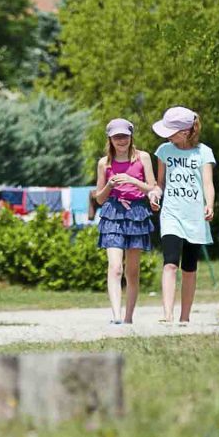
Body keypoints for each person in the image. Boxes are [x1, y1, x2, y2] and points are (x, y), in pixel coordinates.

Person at [148, 106, 215, 325]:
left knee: (189, 268)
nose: (166, 135)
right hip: (171, 214)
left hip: (194, 216)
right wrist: (155, 195)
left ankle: (185, 317)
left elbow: (207, 183)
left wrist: (210, 204)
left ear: (185, 132)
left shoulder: (203, 152)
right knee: (169, 264)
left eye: (170, 130)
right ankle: (167, 314)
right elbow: (161, 184)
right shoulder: (164, 151)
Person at [93, 118, 156, 325]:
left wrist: (132, 181)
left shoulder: (143, 157)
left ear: (131, 137)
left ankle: (128, 317)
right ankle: (116, 317)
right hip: (112, 213)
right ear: (110, 139)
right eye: (116, 137)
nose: (121, 140)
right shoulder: (104, 163)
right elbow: (99, 199)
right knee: (115, 268)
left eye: (124, 136)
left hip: (137, 213)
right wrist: (110, 185)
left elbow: (153, 188)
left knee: (132, 271)